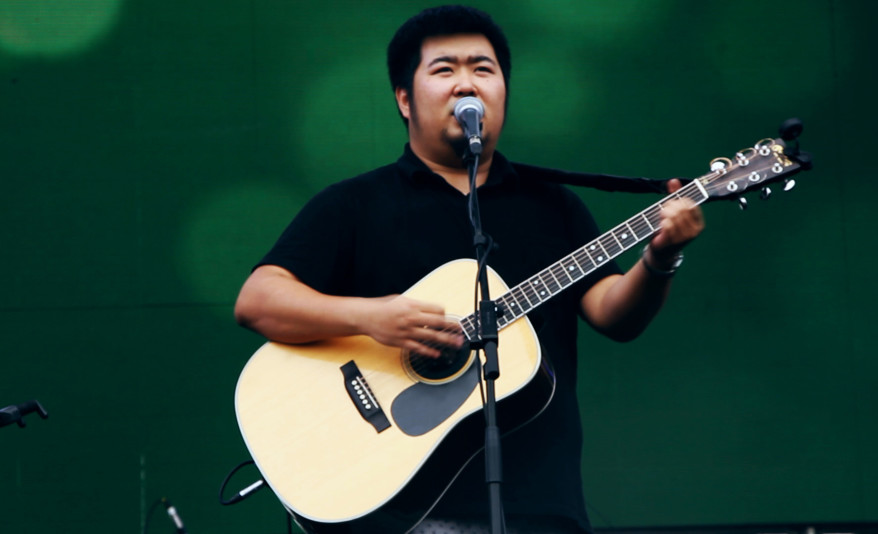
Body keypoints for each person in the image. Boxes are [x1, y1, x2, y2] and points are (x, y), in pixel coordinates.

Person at [234, 5, 704, 534]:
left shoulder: (552, 206)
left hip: (537, 504)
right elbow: (259, 299)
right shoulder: (354, 204)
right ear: (404, 99)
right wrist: (370, 317)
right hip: (396, 511)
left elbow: (614, 314)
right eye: (444, 69)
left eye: (483, 69)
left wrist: (662, 257)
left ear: (503, 91)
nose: (466, 84)